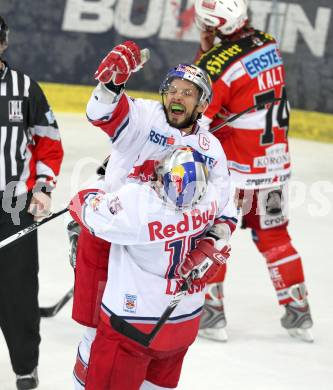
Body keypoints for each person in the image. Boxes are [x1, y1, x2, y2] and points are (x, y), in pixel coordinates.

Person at [69, 40, 238, 388]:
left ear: (203, 103)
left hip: (158, 251)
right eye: (172, 89)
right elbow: (102, 114)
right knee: (95, 331)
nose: (177, 96)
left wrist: (213, 242)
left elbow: (228, 206)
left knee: (141, 342)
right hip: (107, 235)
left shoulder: (211, 148)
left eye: (188, 93)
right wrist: (111, 86)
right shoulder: (146, 117)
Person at [193, 0, 313, 342]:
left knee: (211, 233)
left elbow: (195, 115)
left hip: (236, 173)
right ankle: (299, 312)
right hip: (273, 167)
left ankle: (211, 314)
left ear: (211, 26)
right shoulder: (268, 42)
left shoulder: (217, 67)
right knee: (276, 238)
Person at [69, 146, 232, 389]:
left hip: (131, 328)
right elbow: (231, 211)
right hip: (181, 325)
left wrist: (108, 173)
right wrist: (214, 239)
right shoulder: (211, 200)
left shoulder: (137, 204)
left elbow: (82, 205)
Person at [0, 15, 64, 389]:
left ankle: (25, 366)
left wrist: (43, 186)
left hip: (12, 204)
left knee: (19, 289)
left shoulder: (25, 89)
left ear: (3, 43)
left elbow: (49, 143)